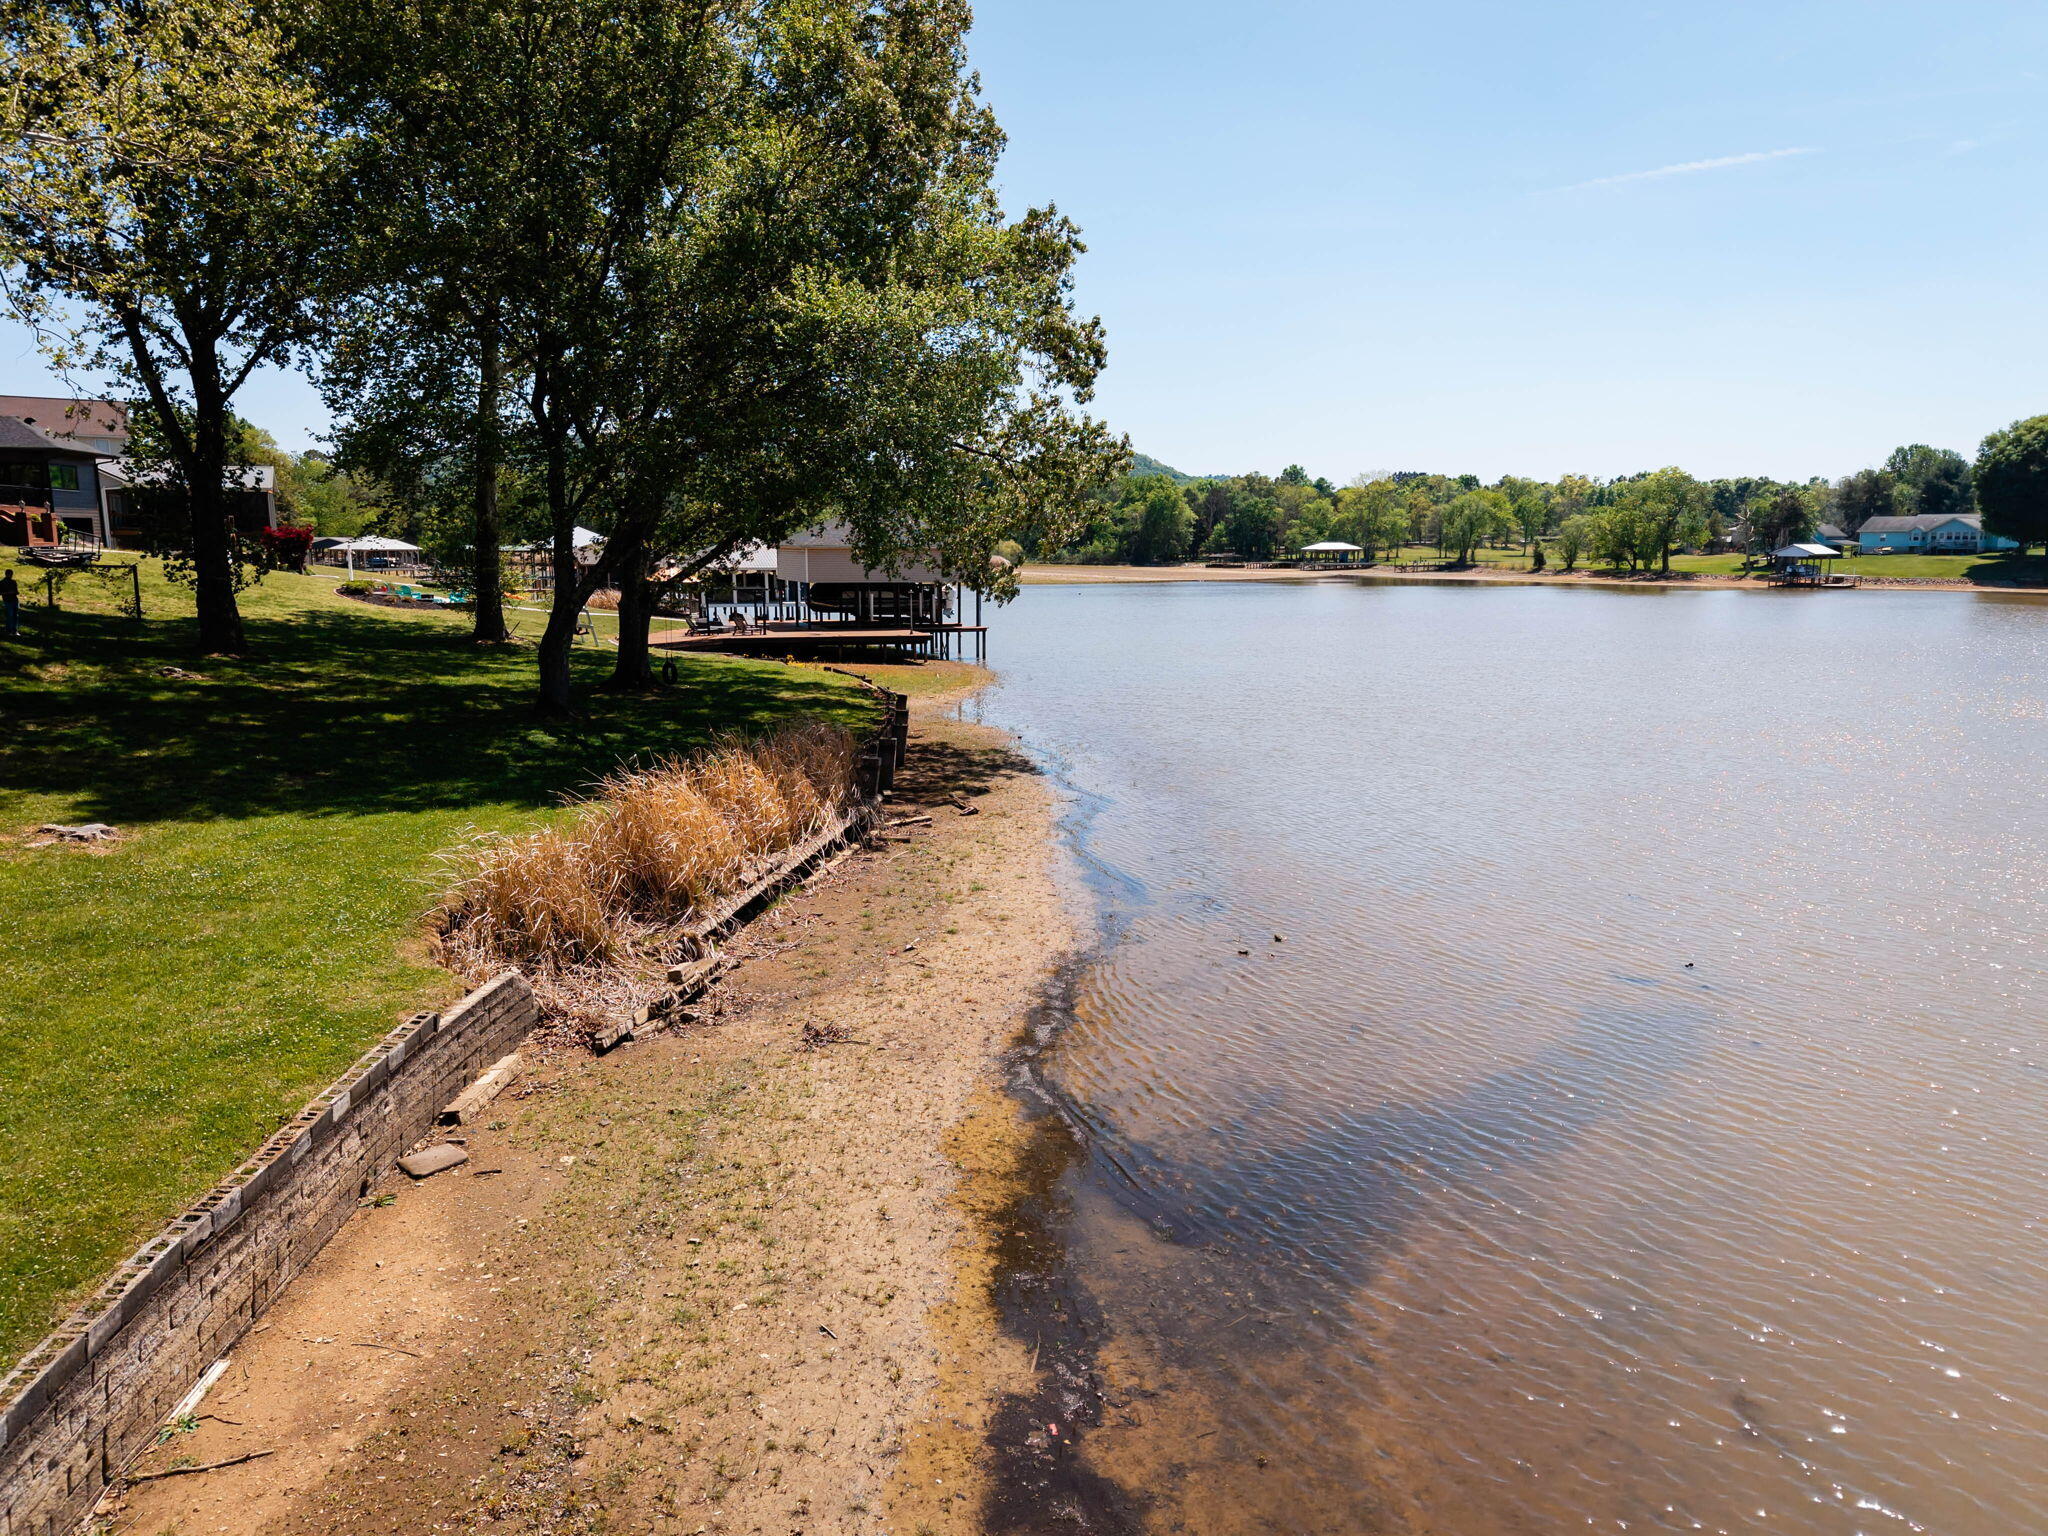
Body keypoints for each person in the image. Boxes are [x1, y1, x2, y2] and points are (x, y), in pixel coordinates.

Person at [1, 569, 18, 640]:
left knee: (15, 615)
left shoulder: (13, 582)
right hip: (7, 601)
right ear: (6, 574)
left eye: (11, 574)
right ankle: (8, 629)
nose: (11, 576)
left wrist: (13, 592)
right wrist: (8, 593)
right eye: (10, 574)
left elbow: (16, 592)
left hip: (14, 600)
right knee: (9, 615)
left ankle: (14, 630)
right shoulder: (2, 583)